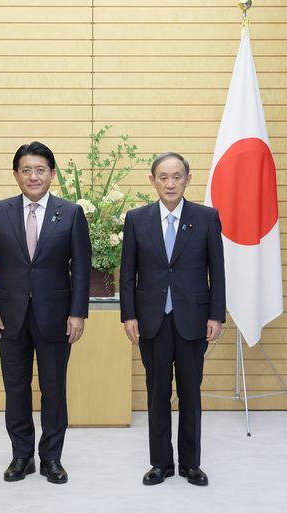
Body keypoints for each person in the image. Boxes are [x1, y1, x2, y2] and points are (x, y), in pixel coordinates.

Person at [0, 141, 91, 483]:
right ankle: (21, 456)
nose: (33, 176)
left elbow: (82, 270)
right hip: (8, 316)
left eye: (40, 169)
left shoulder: (70, 213)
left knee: (54, 389)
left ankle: (51, 459)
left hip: (56, 317)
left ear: (52, 174)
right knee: (16, 387)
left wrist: (77, 313)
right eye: (26, 170)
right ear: (16, 175)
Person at [120, 152, 225, 487]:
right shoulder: (137, 219)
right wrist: (129, 315)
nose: (170, 183)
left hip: (193, 319)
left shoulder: (206, 218)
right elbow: (127, 274)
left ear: (187, 179)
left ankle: (190, 464)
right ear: (152, 180)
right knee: (156, 394)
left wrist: (216, 315)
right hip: (152, 319)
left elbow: (217, 272)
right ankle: (161, 464)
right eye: (163, 177)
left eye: (176, 176)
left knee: (191, 394)